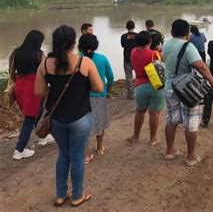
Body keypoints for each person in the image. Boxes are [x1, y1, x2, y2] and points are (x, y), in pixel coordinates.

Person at [34, 25, 103, 207]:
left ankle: (60, 195)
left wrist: (53, 86)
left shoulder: (45, 64)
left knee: (64, 154)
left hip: (56, 119)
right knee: (77, 156)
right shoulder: (84, 62)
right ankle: (78, 195)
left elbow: (39, 92)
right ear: (74, 42)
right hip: (80, 118)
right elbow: (98, 88)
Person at [162, 19, 213, 166]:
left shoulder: (166, 44)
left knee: (171, 120)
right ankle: (191, 156)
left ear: (172, 31)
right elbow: (201, 67)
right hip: (188, 90)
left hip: (169, 87)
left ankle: (169, 152)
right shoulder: (188, 46)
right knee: (191, 123)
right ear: (187, 33)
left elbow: (164, 60)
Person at [10, 30, 54, 160]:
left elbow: (12, 72)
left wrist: (18, 83)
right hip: (33, 86)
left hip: (19, 85)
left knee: (36, 111)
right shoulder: (39, 54)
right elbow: (46, 71)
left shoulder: (15, 52)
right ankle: (19, 150)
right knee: (29, 119)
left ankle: (43, 136)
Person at [78, 34, 114, 163]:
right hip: (99, 95)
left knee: (83, 124)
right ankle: (100, 147)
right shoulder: (102, 59)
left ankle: (86, 152)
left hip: (82, 97)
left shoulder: (77, 60)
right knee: (99, 122)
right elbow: (110, 77)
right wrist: (108, 90)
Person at [127, 31, 165, 146]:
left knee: (140, 111)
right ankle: (153, 139)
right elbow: (162, 65)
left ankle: (135, 136)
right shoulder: (154, 54)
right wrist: (161, 49)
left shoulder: (133, 52)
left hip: (140, 85)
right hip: (156, 86)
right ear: (150, 41)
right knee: (154, 113)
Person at [121, 20, 138, 99]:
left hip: (127, 58)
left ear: (126, 27)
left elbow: (123, 45)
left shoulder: (123, 36)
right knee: (139, 75)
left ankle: (131, 94)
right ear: (134, 27)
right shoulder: (138, 35)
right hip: (136, 58)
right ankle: (140, 92)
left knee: (129, 77)